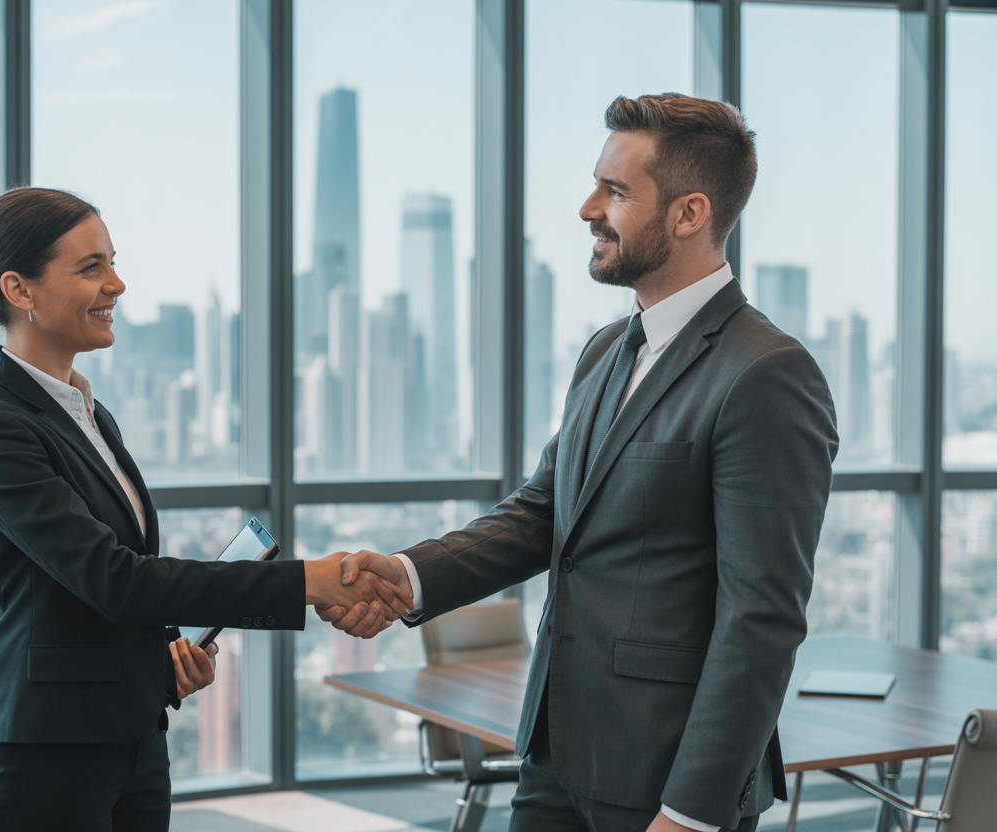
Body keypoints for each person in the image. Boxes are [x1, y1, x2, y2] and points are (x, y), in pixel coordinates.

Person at [317, 93, 838, 832]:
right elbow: (542, 513)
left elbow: (760, 619)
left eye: (616, 191)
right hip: (556, 752)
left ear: (690, 214)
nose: (588, 207)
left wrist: (691, 813)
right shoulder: (606, 350)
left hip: (663, 783)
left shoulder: (766, 374)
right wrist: (406, 576)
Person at [0, 186, 410, 832]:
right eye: (91, 268)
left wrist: (161, 664)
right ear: (19, 290)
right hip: (43, 755)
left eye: (112, 261)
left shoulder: (87, 415)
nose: (118, 283)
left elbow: (96, 597)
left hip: (132, 739)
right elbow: (115, 579)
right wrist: (310, 582)